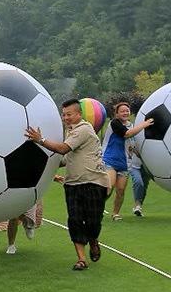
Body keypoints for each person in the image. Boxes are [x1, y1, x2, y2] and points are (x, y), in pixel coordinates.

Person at [25, 98, 110, 271]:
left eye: (69, 114)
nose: (65, 118)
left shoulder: (84, 129)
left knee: (93, 223)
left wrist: (40, 140)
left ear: (79, 114)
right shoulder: (70, 133)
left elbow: (63, 149)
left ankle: (93, 241)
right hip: (72, 185)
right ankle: (81, 259)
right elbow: (63, 159)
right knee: (75, 221)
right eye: (63, 115)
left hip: (94, 182)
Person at [101, 102, 153, 221]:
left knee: (120, 190)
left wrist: (139, 154)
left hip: (124, 163)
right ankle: (97, 207)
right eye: (122, 111)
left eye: (127, 111)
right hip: (110, 160)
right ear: (117, 113)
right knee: (109, 186)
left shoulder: (131, 125)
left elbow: (131, 144)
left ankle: (115, 213)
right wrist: (144, 124)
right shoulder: (115, 123)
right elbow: (127, 134)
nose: (125, 113)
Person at [129, 143, 150, 217]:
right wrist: (133, 149)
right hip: (134, 165)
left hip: (147, 166)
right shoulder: (132, 136)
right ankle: (137, 204)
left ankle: (138, 207)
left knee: (144, 186)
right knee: (138, 182)